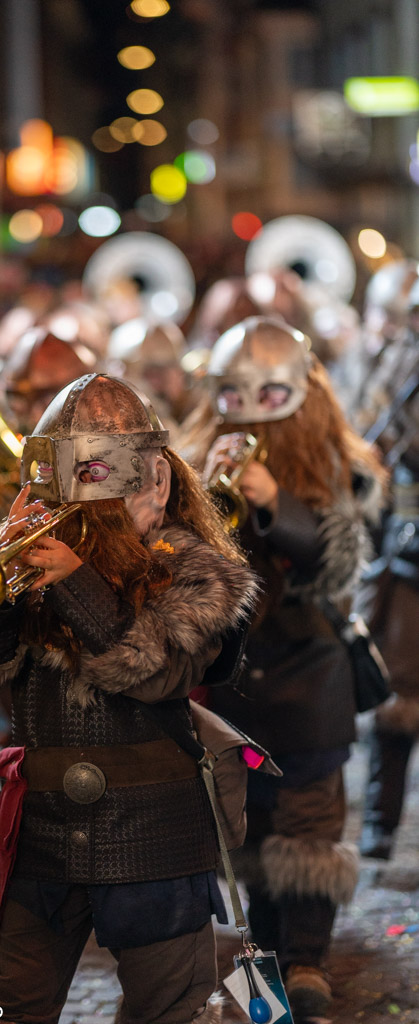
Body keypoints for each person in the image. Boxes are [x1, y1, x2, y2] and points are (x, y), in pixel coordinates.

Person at [0, 373, 261, 1024]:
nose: (81, 512)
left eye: (98, 494)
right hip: (46, 831)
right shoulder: (41, 562)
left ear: (153, 482)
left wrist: (76, 581)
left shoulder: (193, 566)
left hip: (153, 834)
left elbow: (154, 672)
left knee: (170, 1009)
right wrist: (5, 566)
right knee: (12, 1005)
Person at [181, 316, 385, 1022]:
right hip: (230, 683)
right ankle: (260, 959)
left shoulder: (340, 459)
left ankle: (308, 964)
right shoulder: (194, 453)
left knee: (308, 825)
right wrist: (198, 497)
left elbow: (336, 569)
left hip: (308, 678)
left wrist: (278, 505)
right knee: (248, 831)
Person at [354, 274, 419, 860]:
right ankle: (379, 823)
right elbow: (369, 434)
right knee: (397, 695)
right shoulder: (398, 359)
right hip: (407, 544)